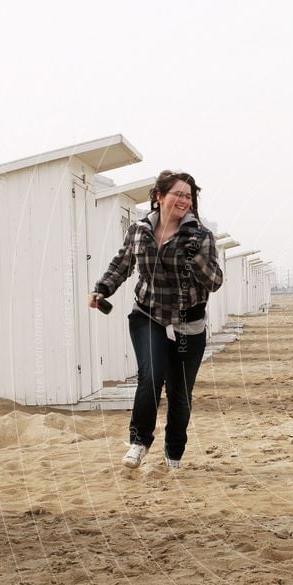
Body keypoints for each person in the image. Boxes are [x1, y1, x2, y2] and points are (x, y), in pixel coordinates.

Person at [88, 170, 223, 469]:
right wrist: (101, 289)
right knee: (151, 376)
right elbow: (122, 264)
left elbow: (215, 282)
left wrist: (196, 256)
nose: (184, 200)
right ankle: (138, 442)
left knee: (180, 393)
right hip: (148, 314)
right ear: (159, 196)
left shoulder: (201, 236)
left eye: (189, 196)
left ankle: (173, 453)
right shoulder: (139, 231)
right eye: (178, 194)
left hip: (189, 323)